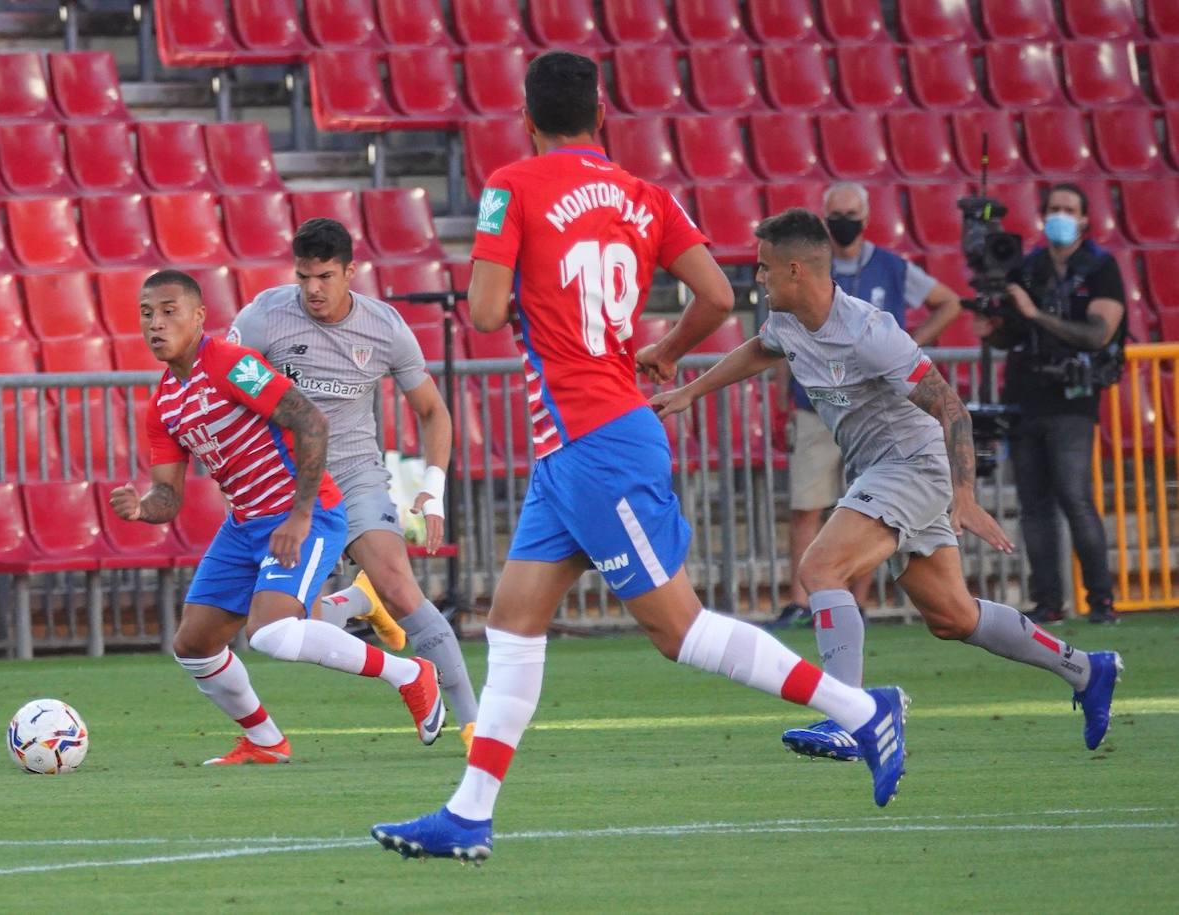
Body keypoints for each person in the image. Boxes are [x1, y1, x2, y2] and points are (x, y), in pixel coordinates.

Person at [370, 52, 908, 865]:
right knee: (512, 621)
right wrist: (663, 347)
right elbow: (721, 297)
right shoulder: (644, 195)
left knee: (679, 631)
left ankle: (863, 711)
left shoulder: (513, 182)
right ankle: (470, 812)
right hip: (579, 447)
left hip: (595, 442)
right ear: (602, 116)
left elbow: (483, 312)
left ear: (526, 116)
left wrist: (521, 275)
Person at [652, 208, 1122, 764]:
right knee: (953, 617)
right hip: (879, 470)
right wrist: (691, 391)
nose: (757, 278)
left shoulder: (870, 333)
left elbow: (951, 407)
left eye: (763, 268)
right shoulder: (786, 321)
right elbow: (761, 350)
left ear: (796, 270)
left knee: (821, 569)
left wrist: (964, 496)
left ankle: (851, 716)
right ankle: (1087, 669)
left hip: (913, 466)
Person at [109, 269, 446, 766]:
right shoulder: (163, 404)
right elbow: (168, 495)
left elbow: (310, 420)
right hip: (246, 524)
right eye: (146, 314)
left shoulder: (230, 363)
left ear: (199, 317)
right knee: (194, 645)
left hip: (305, 513)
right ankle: (266, 741)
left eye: (168, 311)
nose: (155, 324)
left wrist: (299, 514)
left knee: (270, 633)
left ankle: (411, 675)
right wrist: (142, 508)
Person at [230, 217, 479, 749]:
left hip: (355, 476)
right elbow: (229, 390)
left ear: (350, 271)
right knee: (293, 626)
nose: (313, 289)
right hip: (288, 487)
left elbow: (434, 412)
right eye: (304, 278)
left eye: (324, 276)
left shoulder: (384, 328)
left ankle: (473, 723)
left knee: (397, 581)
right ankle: (357, 604)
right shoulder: (263, 320)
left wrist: (431, 488)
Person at [771, 181, 963, 629]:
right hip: (816, 404)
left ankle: (853, 600)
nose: (843, 222)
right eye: (835, 213)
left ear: (866, 215)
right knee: (807, 504)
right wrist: (782, 396)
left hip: (876, 411)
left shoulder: (892, 267)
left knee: (869, 506)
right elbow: (778, 340)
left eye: (850, 213)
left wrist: (908, 349)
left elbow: (949, 303)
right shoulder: (809, 268)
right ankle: (803, 601)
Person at [974, 182, 1126, 625]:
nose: (1060, 215)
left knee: (1074, 497)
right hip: (1024, 395)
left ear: (1083, 219)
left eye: (1069, 208)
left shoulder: (1101, 266)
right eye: (1054, 208)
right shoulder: (1029, 266)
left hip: (1073, 400)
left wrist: (1036, 313)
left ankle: (1101, 601)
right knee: (1033, 503)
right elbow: (1016, 334)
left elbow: (1097, 333)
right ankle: (1048, 602)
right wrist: (993, 328)